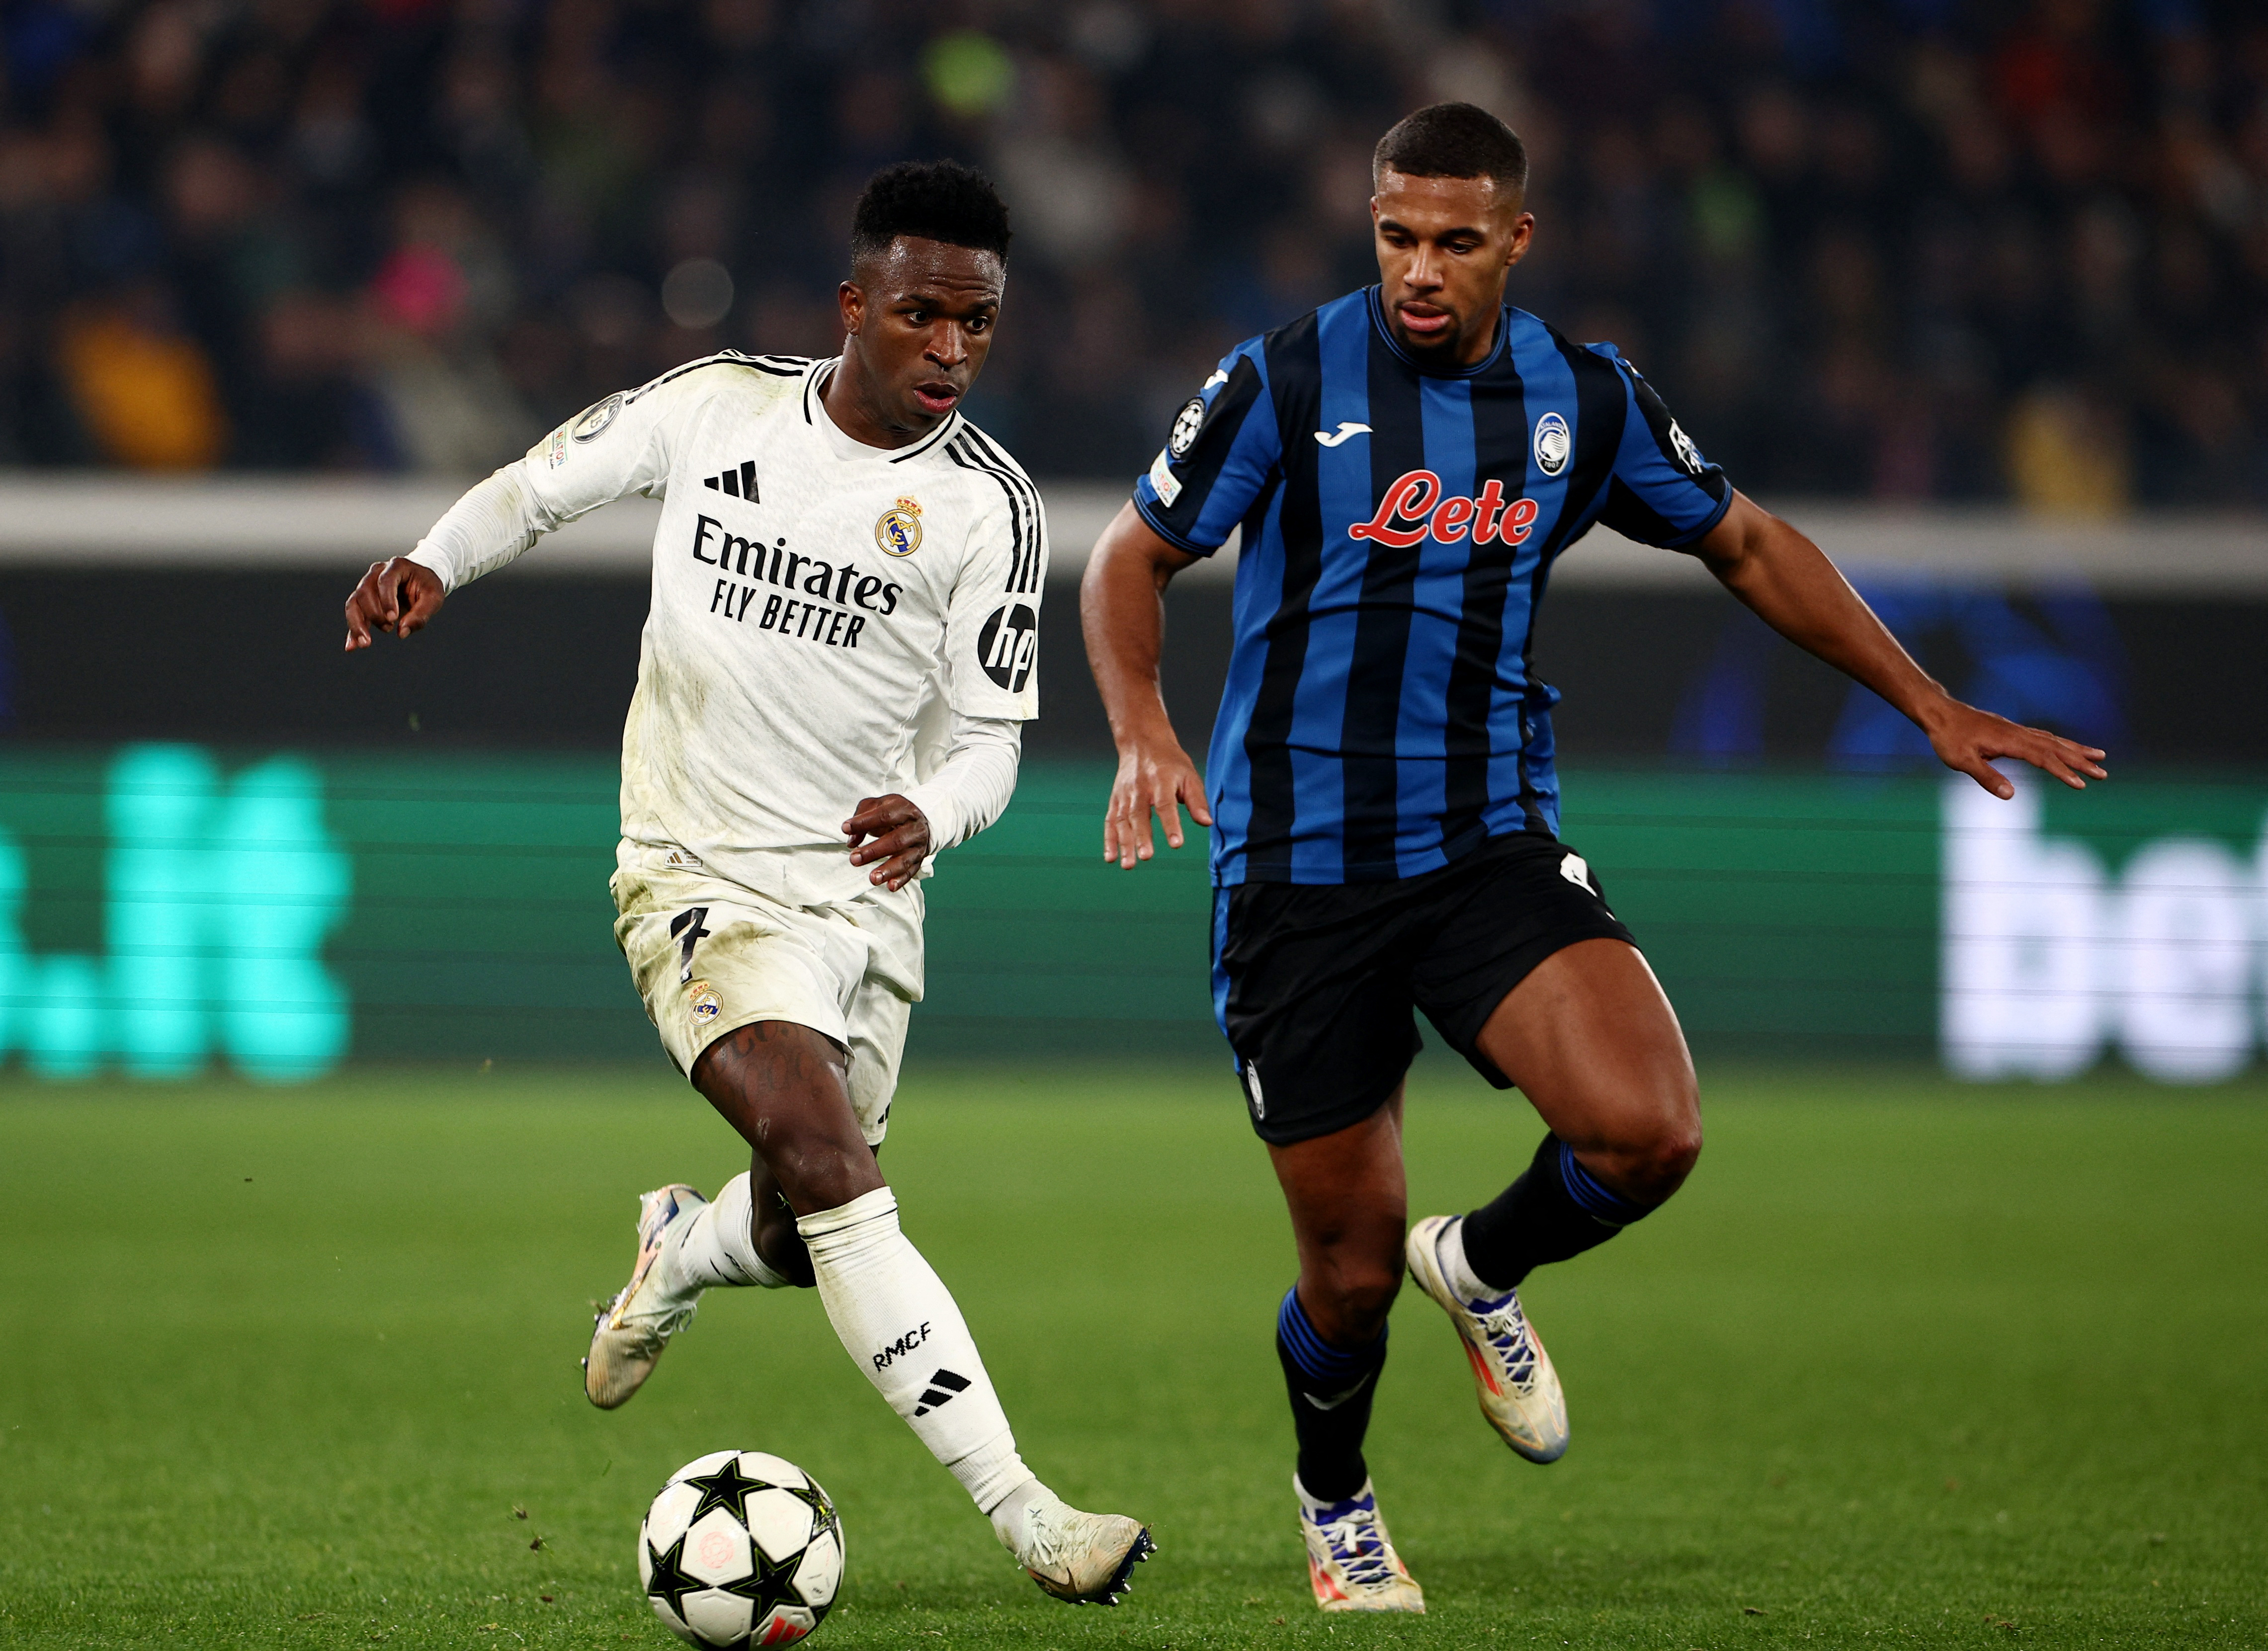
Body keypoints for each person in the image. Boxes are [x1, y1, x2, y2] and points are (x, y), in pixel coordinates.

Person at [1080, 103, 2104, 1615]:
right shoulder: (1288, 376)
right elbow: (1130, 555)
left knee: (1649, 1132)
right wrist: (1142, 731)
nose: (1418, 270)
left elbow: (1745, 543)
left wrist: (1929, 699)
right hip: (1297, 870)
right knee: (1347, 1273)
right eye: (1394, 236)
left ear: (1516, 240)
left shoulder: (1585, 397)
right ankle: (1337, 1495)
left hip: (1488, 840)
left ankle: (1482, 1261)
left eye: (1452, 241)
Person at [345, 160, 1152, 1607]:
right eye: (922, 315)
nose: (951, 350)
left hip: (860, 903)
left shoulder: (990, 510)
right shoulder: (714, 403)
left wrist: (935, 813)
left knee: (795, 1226)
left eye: (977, 323)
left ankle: (681, 1246)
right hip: (694, 873)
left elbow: (990, 742)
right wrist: (430, 561)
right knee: (837, 1170)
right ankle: (1028, 1511)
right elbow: (544, 484)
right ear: (855, 306)